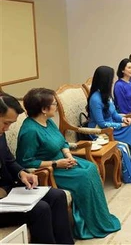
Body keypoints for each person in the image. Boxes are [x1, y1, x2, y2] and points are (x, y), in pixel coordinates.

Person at [15, 88, 121, 240]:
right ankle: (86, 224)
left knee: (91, 168)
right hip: (50, 169)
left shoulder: (48, 121)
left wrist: (69, 155)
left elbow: (62, 142)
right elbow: (25, 162)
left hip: (64, 161)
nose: (56, 106)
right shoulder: (30, 131)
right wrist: (56, 164)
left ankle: (99, 217)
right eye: (53, 104)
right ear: (44, 109)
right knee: (84, 177)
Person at [0, 92, 74, 244]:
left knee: (57, 196)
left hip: (8, 190)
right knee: (41, 209)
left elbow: (8, 160)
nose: (7, 129)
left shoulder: (0, 133)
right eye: (6, 123)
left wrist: (22, 173)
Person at [87, 66, 131, 182]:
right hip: (101, 131)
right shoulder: (95, 99)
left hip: (112, 126)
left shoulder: (106, 95)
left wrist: (123, 120)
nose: (112, 81)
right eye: (111, 79)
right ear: (105, 80)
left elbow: (114, 113)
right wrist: (121, 125)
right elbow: (101, 123)